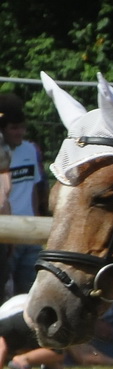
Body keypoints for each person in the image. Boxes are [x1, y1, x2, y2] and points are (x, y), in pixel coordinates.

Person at [2, 91, 46, 298]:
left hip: (29, 234)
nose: (20, 132)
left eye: (22, 127)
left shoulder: (30, 150)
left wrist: (37, 220)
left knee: (29, 293)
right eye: (14, 128)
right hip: (5, 235)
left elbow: (35, 190)